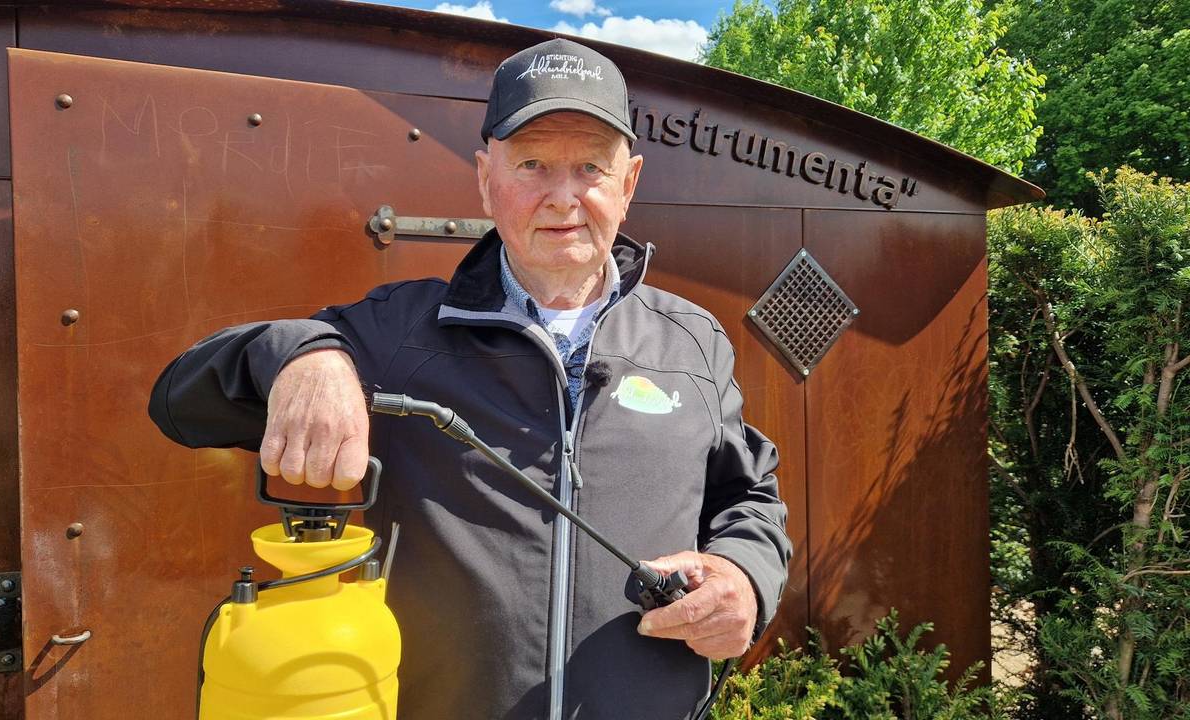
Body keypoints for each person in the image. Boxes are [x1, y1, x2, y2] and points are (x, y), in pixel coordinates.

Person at [149, 37, 791, 720]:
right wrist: (299, 355)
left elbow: (749, 494)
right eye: (534, 164)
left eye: (590, 169)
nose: (563, 197)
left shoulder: (693, 341)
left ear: (627, 183)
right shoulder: (398, 332)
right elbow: (180, 404)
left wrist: (746, 579)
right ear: (486, 178)